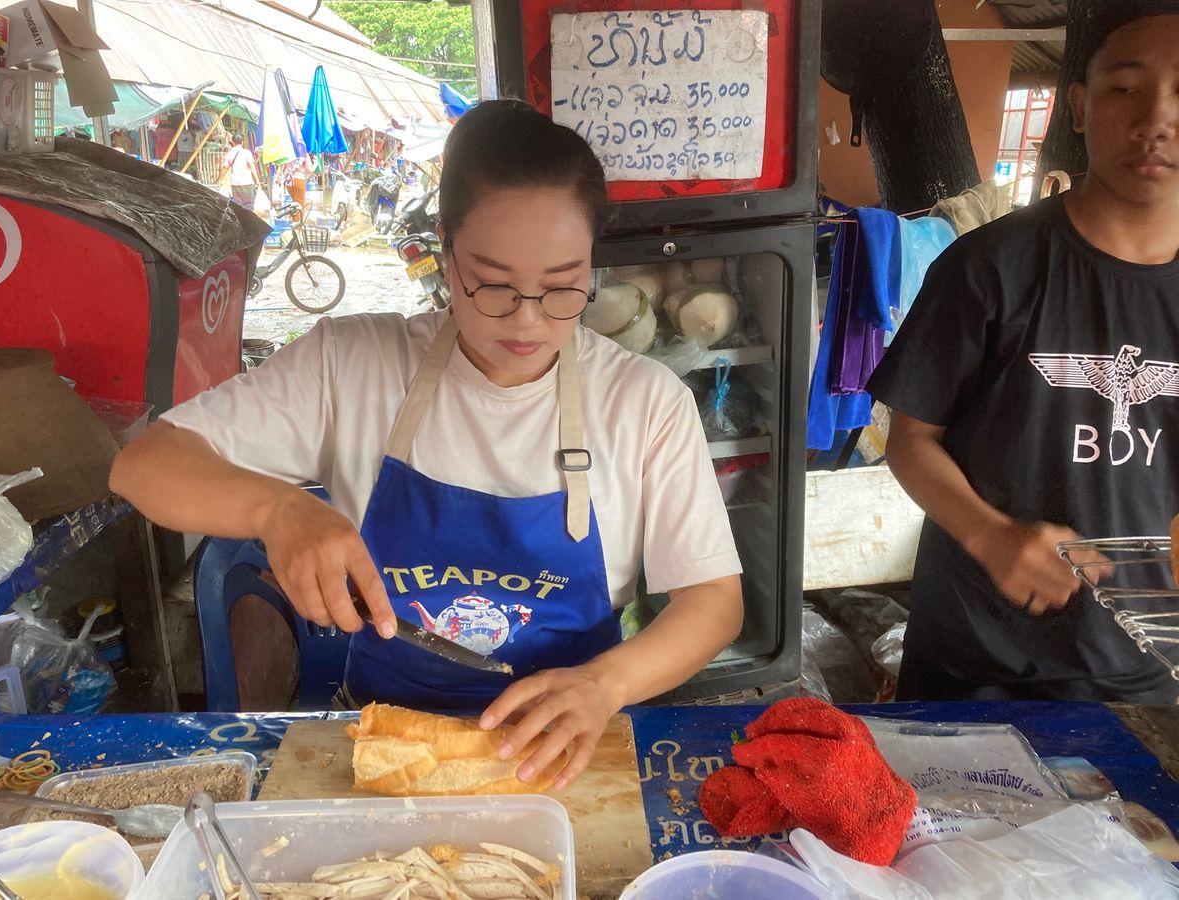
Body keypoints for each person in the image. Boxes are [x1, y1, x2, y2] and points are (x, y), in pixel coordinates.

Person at [110, 100, 744, 786]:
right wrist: (278, 510)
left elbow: (713, 599)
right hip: (388, 741)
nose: (527, 320)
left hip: (561, 756)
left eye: (562, 286)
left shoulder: (644, 403)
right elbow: (144, 466)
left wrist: (606, 685)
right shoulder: (352, 365)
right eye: (493, 284)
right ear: (444, 249)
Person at [867, 7, 1179, 703]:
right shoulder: (990, 268)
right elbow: (910, 440)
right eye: (1126, 87)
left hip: (1150, 677)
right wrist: (993, 536)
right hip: (977, 663)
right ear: (1078, 104)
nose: (1156, 118)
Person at [219, 134, 260, 208]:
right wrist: (257, 180)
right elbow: (252, 167)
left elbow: (225, 168)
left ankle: (240, 219)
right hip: (247, 183)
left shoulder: (230, 154)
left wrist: (220, 179)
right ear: (242, 142)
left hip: (235, 184)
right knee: (248, 205)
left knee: (238, 206)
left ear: (233, 142)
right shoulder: (247, 153)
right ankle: (248, 219)